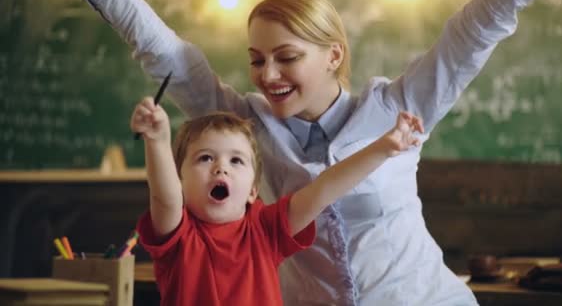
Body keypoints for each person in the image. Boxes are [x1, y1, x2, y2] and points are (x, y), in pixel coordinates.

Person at [64, 0, 562, 304]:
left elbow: (479, 27)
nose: (268, 75)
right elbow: (165, 53)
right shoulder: (246, 132)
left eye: (288, 57)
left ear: (334, 55)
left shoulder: (398, 109)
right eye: (257, 60)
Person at [130, 95, 423, 305]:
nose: (221, 167)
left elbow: (323, 190)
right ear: (180, 181)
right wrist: (157, 140)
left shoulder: (265, 230)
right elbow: (164, 198)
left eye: (236, 160)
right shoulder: (178, 235)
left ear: (252, 192)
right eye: (205, 158)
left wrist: (385, 147)